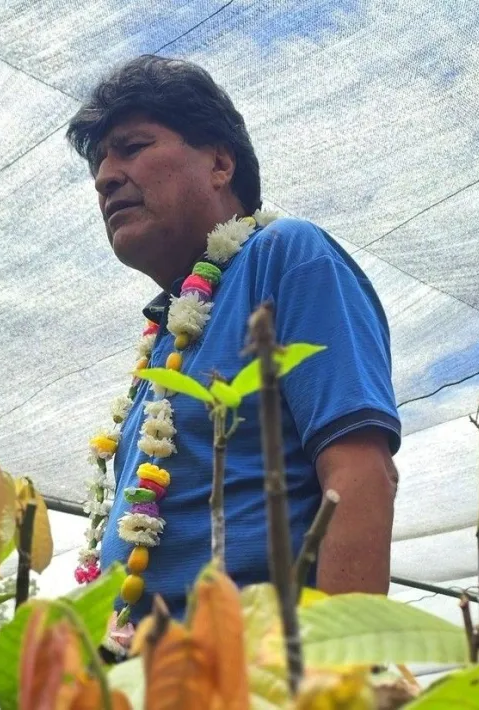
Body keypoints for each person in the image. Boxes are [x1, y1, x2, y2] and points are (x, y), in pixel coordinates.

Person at [66, 55, 401, 651]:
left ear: (220, 163)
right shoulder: (168, 331)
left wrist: (334, 677)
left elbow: (358, 473)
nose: (105, 177)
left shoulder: (286, 255)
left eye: (132, 147)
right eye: (99, 164)